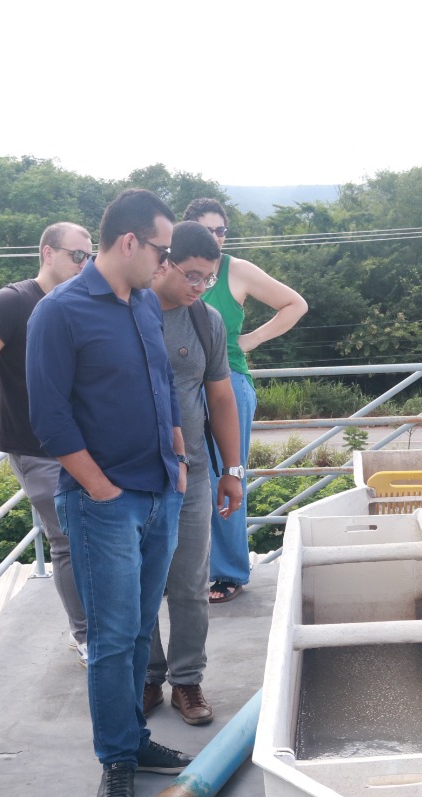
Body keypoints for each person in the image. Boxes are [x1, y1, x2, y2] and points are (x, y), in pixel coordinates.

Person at [26, 189, 195, 797]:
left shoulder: (145, 302)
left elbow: (162, 385)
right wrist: (99, 487)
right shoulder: (60, 312)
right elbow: (49, 416)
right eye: (161, 250)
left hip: (159, 492)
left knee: (140, 629)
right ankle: (117, 759)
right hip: (105, 505)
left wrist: (178, 455)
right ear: (129, 242)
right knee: (113, 638)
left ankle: (135, 739)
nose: (165, 262)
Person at [0, 222, 93, 662]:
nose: (85, 264)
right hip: (35, 447)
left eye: (90, 257)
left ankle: (104, 627)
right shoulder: (11, 302)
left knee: (96, 538)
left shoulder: (82, 300)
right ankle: (87, 636)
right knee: (66, 541)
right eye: (77, 256)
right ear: (48, 253)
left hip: (86, 445)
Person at [183, 197, 308, 604]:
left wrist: (251, 339)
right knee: (180, 479)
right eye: (207, 230)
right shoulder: (169, 269)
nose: (216, 237)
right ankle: (182, 571)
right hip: (179, 385)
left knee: (227, 475)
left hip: (228, 383)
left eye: (221, 230)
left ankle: (228, 572)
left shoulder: (237, 270)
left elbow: (295, 304)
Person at [144, 221, 244, 725]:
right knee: (139, 584)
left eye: (208, 278)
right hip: (133, 476)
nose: (200, 287)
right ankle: (146, 678)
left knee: (189, 582)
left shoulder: (207, 320)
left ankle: (187, 680)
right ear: (162, 262)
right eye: (192, 275)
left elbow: (221, 398)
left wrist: (233, 470)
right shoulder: (128, 311)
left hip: (195, 473)